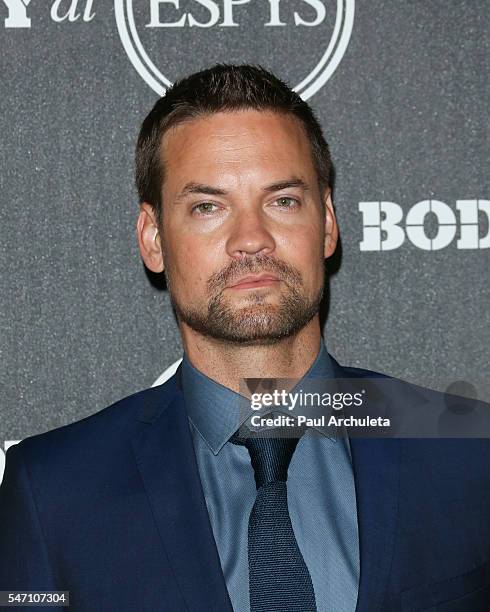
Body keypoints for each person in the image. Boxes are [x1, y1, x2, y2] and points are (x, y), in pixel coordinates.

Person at [0, 64, 489, 612]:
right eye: (207, 207)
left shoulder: (468, 452)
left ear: (326, 222)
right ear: (153, 238)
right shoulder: (54, 491)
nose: (251, 239)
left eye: (282, 200)